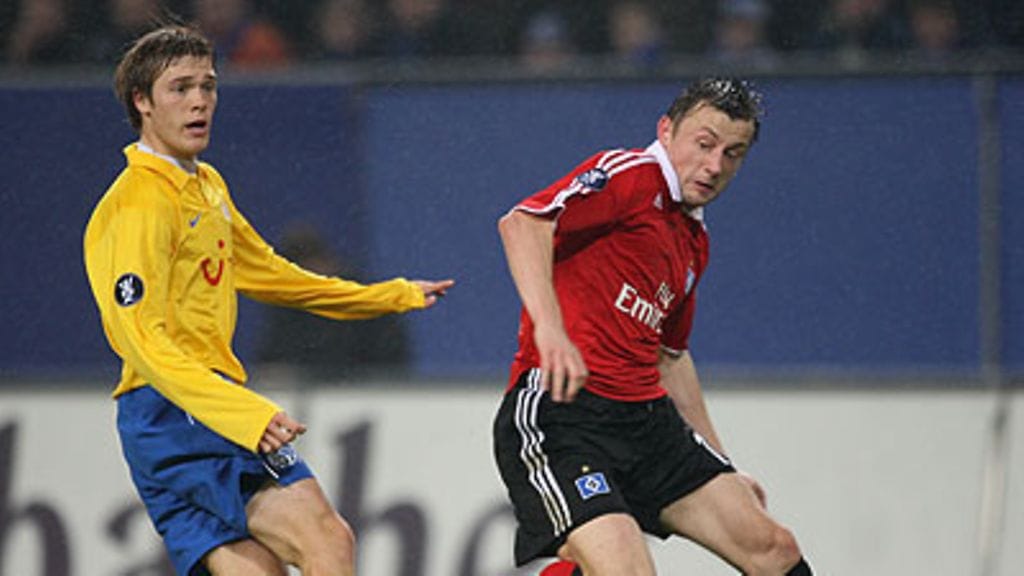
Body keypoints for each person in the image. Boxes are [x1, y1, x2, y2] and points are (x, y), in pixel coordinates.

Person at [83, 24, 453, 575]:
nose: (199, 102)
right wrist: (243, 414)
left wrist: (386, 295)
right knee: (327, 539)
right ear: (142, 102)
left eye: (208, 86)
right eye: (179, 89)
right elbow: (141, 341)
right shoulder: (136, 204)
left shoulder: (206, 185)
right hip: (178, 415)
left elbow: (273, 275)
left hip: (194, 413)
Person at [492, 77, 813, 575]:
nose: (714, 166)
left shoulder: (693, 238)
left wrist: (721, 464)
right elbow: (522, 223)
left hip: (646, 424)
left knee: (775, 549)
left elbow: (671, 357)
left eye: (733, 154)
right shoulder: (631, 176)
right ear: (666, 131)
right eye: (704, 145)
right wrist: (550, 331)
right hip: (562, 416)